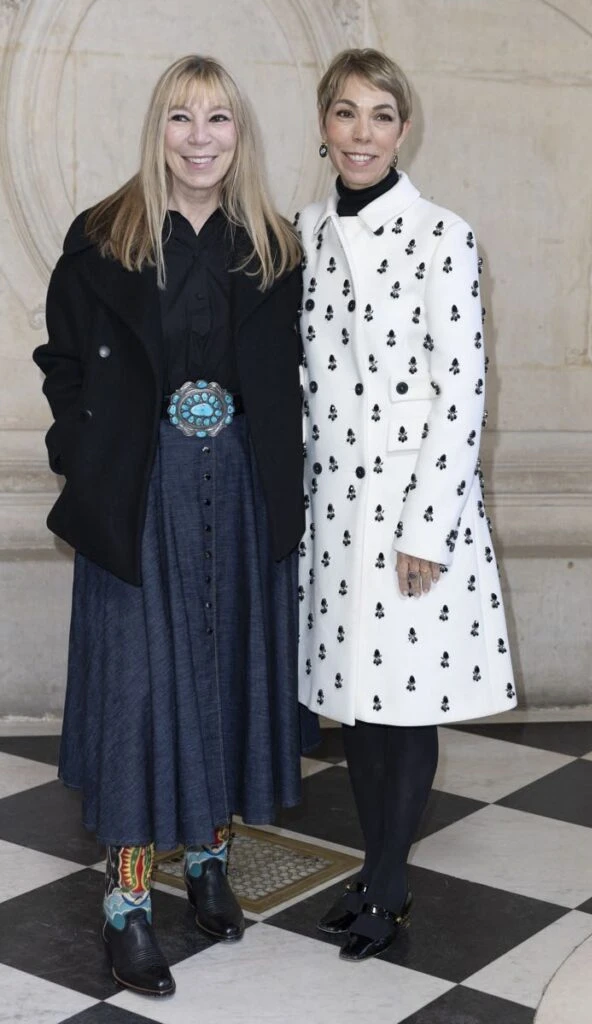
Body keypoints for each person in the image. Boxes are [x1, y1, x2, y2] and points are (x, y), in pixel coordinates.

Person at [33, 54, 315, 997]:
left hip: (237, 487)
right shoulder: (102, 235)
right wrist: (84, 452)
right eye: (181, 119)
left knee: (222, 666)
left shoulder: (273, 242)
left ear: (242, 134)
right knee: (139, 688)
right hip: (136, 489)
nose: (200, 138)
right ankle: (125, 906)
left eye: (219, 120)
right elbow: (62, 360)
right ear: (157, 129)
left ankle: (207, 863)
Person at [297, 48, 516, 962]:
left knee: (406, 701)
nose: (362, 134)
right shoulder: (300, 231)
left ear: (403, 128)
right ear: (323, 126)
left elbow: (461, 390)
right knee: (358, 702)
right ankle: (373, 864)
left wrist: (427, 526)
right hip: (332, 509)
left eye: (381, 115)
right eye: (346, 114)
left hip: (411, 507)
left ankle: (388, 882)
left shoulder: (443, 234)